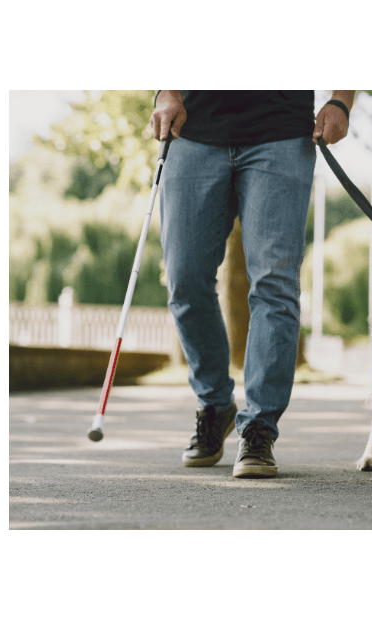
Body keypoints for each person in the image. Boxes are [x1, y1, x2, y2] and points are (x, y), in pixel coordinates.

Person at [150, 90, 354, 478]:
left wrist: (341, 100)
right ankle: (215, 404)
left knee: (275, 284)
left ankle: (260, 426)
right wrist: (165, 91)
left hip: (280, 133)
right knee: (184, 279)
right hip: (193, 131)